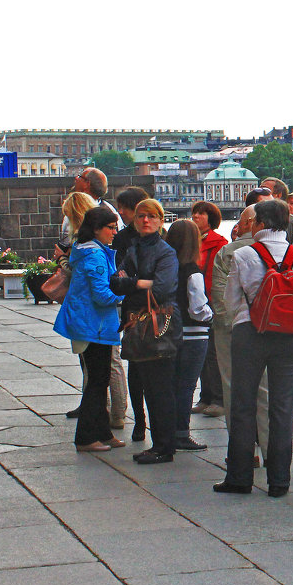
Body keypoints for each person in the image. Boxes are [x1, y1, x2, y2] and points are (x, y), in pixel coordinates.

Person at [216, 200, 293, 498]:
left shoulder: (244, 254)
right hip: (290, 336)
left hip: (250, 334)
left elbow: (231, 300)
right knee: (282, 407)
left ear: (258, 224)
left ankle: (240, 477)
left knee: (243, 403)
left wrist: (246, 318)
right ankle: (279, 481)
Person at [110, 198, 179, 465]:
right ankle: (157, 443)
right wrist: (139, 282)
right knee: (147, 386)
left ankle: (165, 445)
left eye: (151, 216)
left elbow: (162, 288)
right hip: (137, 324)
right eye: (140, 216)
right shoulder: (133, 248)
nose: (145, 220)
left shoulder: (165, 252)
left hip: (159, 325)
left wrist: (133, 281)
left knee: (160, 389)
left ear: (161, 220)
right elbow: (115, 282)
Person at [53, 206, 126, 452]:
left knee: (100, 379)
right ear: (97, 229)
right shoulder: (94, 255)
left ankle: (103, 433)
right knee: (96, 382)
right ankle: (85, 437)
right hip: (93, 325)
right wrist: (129, 288)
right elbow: (102, 295)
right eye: (111, 228)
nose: (115, 232)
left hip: (92, 325)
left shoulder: (87, 250)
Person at [210, 205, 271, 469]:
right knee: (265, 392)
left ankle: (243, 452)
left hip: (233, 328)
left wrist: (228, 324)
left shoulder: (228, 251)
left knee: (232, 387)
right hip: (267, 329)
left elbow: (219, 291)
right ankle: (271, 452)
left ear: (247, 223)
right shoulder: (284, 251)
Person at [165, 219, 213, 452]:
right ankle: (182, 433)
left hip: (170, 331)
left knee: (171, 384)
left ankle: (167, 431)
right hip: (194, 334)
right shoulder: (193, 271)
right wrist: (211, 315)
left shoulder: (166, 267)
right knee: (186, 386)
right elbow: (198, 308)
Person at [112, 187, 150, 439]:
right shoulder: (122, 239)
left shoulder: (162, 240)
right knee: (135, 366)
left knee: (158, 366)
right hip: (134, 310)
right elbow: (119, 278)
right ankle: (139, 418)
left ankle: (156, 420)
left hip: (157, 309)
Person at [190, 201, 229, 418]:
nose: (196, 217)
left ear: (210, 218)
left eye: (201, 214)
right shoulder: (193, 240)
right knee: (201, 351)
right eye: (195, 213)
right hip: (196, 299)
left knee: (213, 352)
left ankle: (218, 398)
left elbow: (215, 274)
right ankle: (205, 397)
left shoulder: (218, 243)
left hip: (210, 301)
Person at [259, 177, 293, 243]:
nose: (259, 193)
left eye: (265, 190)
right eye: (259, 189)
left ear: (278, 195)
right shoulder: (253, 218)